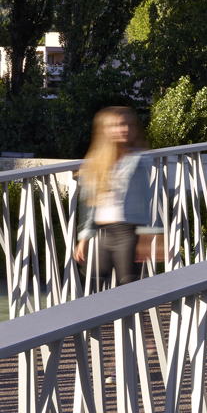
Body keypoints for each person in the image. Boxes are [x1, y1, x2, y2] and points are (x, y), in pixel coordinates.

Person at [75, 107, 163, 289]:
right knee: (93, 289)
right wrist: (84, 238)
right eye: (120, 125)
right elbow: (91, 205)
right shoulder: (96, 162)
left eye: (130, 125)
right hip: (102, 234)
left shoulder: (139, 159)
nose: (126, 129)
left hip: (127, 233)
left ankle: (129, 319)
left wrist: (148, 236)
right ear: (105, 129)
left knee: (128, 289)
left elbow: (148, 199)